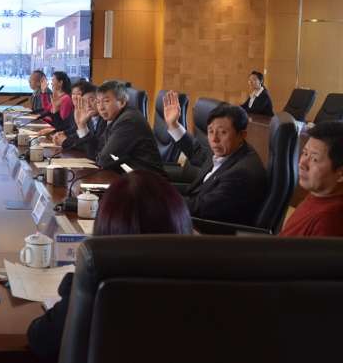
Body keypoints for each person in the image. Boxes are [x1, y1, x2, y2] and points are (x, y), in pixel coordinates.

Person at [27, 170, 192, 362]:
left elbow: (39, 338)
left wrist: (76, 283)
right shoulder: (210, 286)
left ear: (106, 229)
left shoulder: (93, 289)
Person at [163, 93, 267, 226]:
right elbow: (197, 153)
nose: (214, 139)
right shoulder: (232, 150)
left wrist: (162, 200)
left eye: (223, 132)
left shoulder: (242, 174)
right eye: (211, 131)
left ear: (242, 135)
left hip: (204, 230)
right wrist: (173, 125)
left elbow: (202, 209)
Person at [72, 80, 164, 174]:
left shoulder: (128, 121)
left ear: (122, 102)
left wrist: (99, 156)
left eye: (106, 101)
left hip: (147, 179)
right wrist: (82, 126)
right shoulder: (114, 119)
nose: (101, 108)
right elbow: (96, 151)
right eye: (98, 102)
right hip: (130, 176)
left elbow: (104, 160)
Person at [280, 122, 343, 236]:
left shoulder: (327, 221)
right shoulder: (319, 194)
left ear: (341, 174)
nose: (302, 164)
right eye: (305, 153)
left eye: (314, 159)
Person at [54, 81, 106, 152]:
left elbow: (94, 146)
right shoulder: (87, 117)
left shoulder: (105, 119)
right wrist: (62, 134)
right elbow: (78, 135)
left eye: (92, 100)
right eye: (85, 101)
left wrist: (66, 141)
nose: (88, 105)